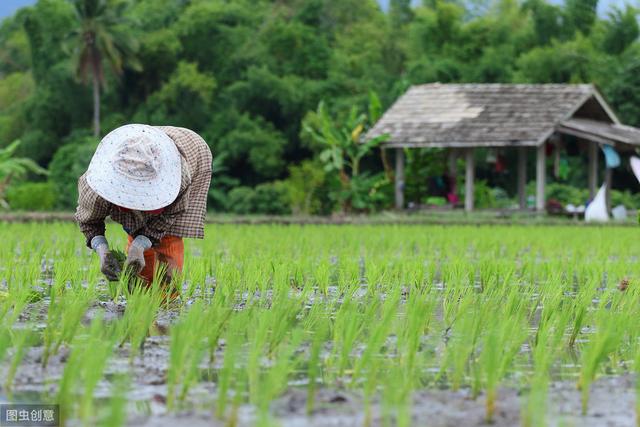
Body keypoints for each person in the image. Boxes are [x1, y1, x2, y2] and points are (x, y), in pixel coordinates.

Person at [75, 124, 212, 286]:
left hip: (193, 151)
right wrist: (103, 251)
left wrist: (139, 245)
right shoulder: (96, 187)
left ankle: (168, 300)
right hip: (140, 151)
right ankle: (141, 293)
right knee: (137, 244)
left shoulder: (178, 179)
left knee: (168, 243)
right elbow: (88, 222)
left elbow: (169, 216)